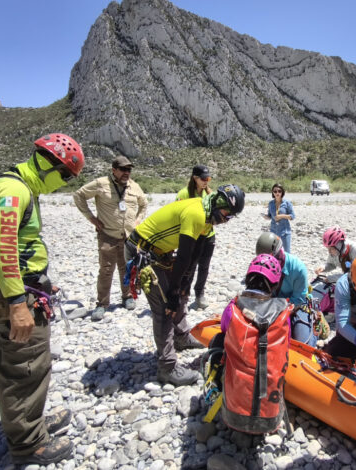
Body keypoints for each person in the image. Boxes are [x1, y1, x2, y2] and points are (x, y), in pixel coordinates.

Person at [0, 133, 84, 465]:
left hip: (24, 288)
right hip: (14, 296)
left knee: (32, 364)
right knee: (23, 365)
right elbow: (3, 247)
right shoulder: (14, 190)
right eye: (64, 175)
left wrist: (40, 284)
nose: (64, 183)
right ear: (46, 163)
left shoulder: (24, 190)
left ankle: (31, 423)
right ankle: (27, 444)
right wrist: (17, 303)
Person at [126, 184, 246, 386]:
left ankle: (180, 336)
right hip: (142, 251)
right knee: (165, 308)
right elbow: (182, 256)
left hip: (160, 252)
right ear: (219, 204)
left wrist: (183, 285)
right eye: (228, 215)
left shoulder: (208, 217)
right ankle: (167, 367)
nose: (227, 220)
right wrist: (172, 292)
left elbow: (194, 255)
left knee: (181, 293)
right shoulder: (197, 213)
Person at [73, 155, 147, 321]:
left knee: (126, 268)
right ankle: (102, 304)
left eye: (129, 169)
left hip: (128, 236)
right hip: (108, 235)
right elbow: (79, 195)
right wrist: (91, 218)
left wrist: (138, 220)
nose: (126, 172)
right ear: (114, 170)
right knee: (106, 270)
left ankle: (127, 297)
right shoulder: (101, 183)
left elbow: (144, 204)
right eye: (123, 169)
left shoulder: (134, 186)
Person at [255, 232, 315, 345]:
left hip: (296, 307)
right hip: (271, 304)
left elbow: (298, 300)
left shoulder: (298, 268)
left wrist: (277, 310)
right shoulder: (261, 266)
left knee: (303, 342)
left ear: (279, 255)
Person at [176, 165, 215, 310]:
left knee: (204, 267)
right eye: (203, 178)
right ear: (195, 178)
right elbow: (177, 215)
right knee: (189, 267)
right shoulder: (184, 194)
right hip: (191, 237)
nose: (206, 181)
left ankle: (199, 295)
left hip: (208, 235)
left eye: (208, 178)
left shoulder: (211, 194)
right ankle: (183, 295)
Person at [263, 183, 295, 253]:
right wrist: (266, 217)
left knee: (286, 253)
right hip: (273, 231)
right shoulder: (271, 203)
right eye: (275, 191)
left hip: (285, 232)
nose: (277, 193)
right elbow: (270, 216)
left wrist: (281, 216)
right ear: (272, 192)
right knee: (274, 253)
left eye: (279, 191)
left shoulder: (287, 203)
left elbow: (292, 216)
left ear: (282, 192)